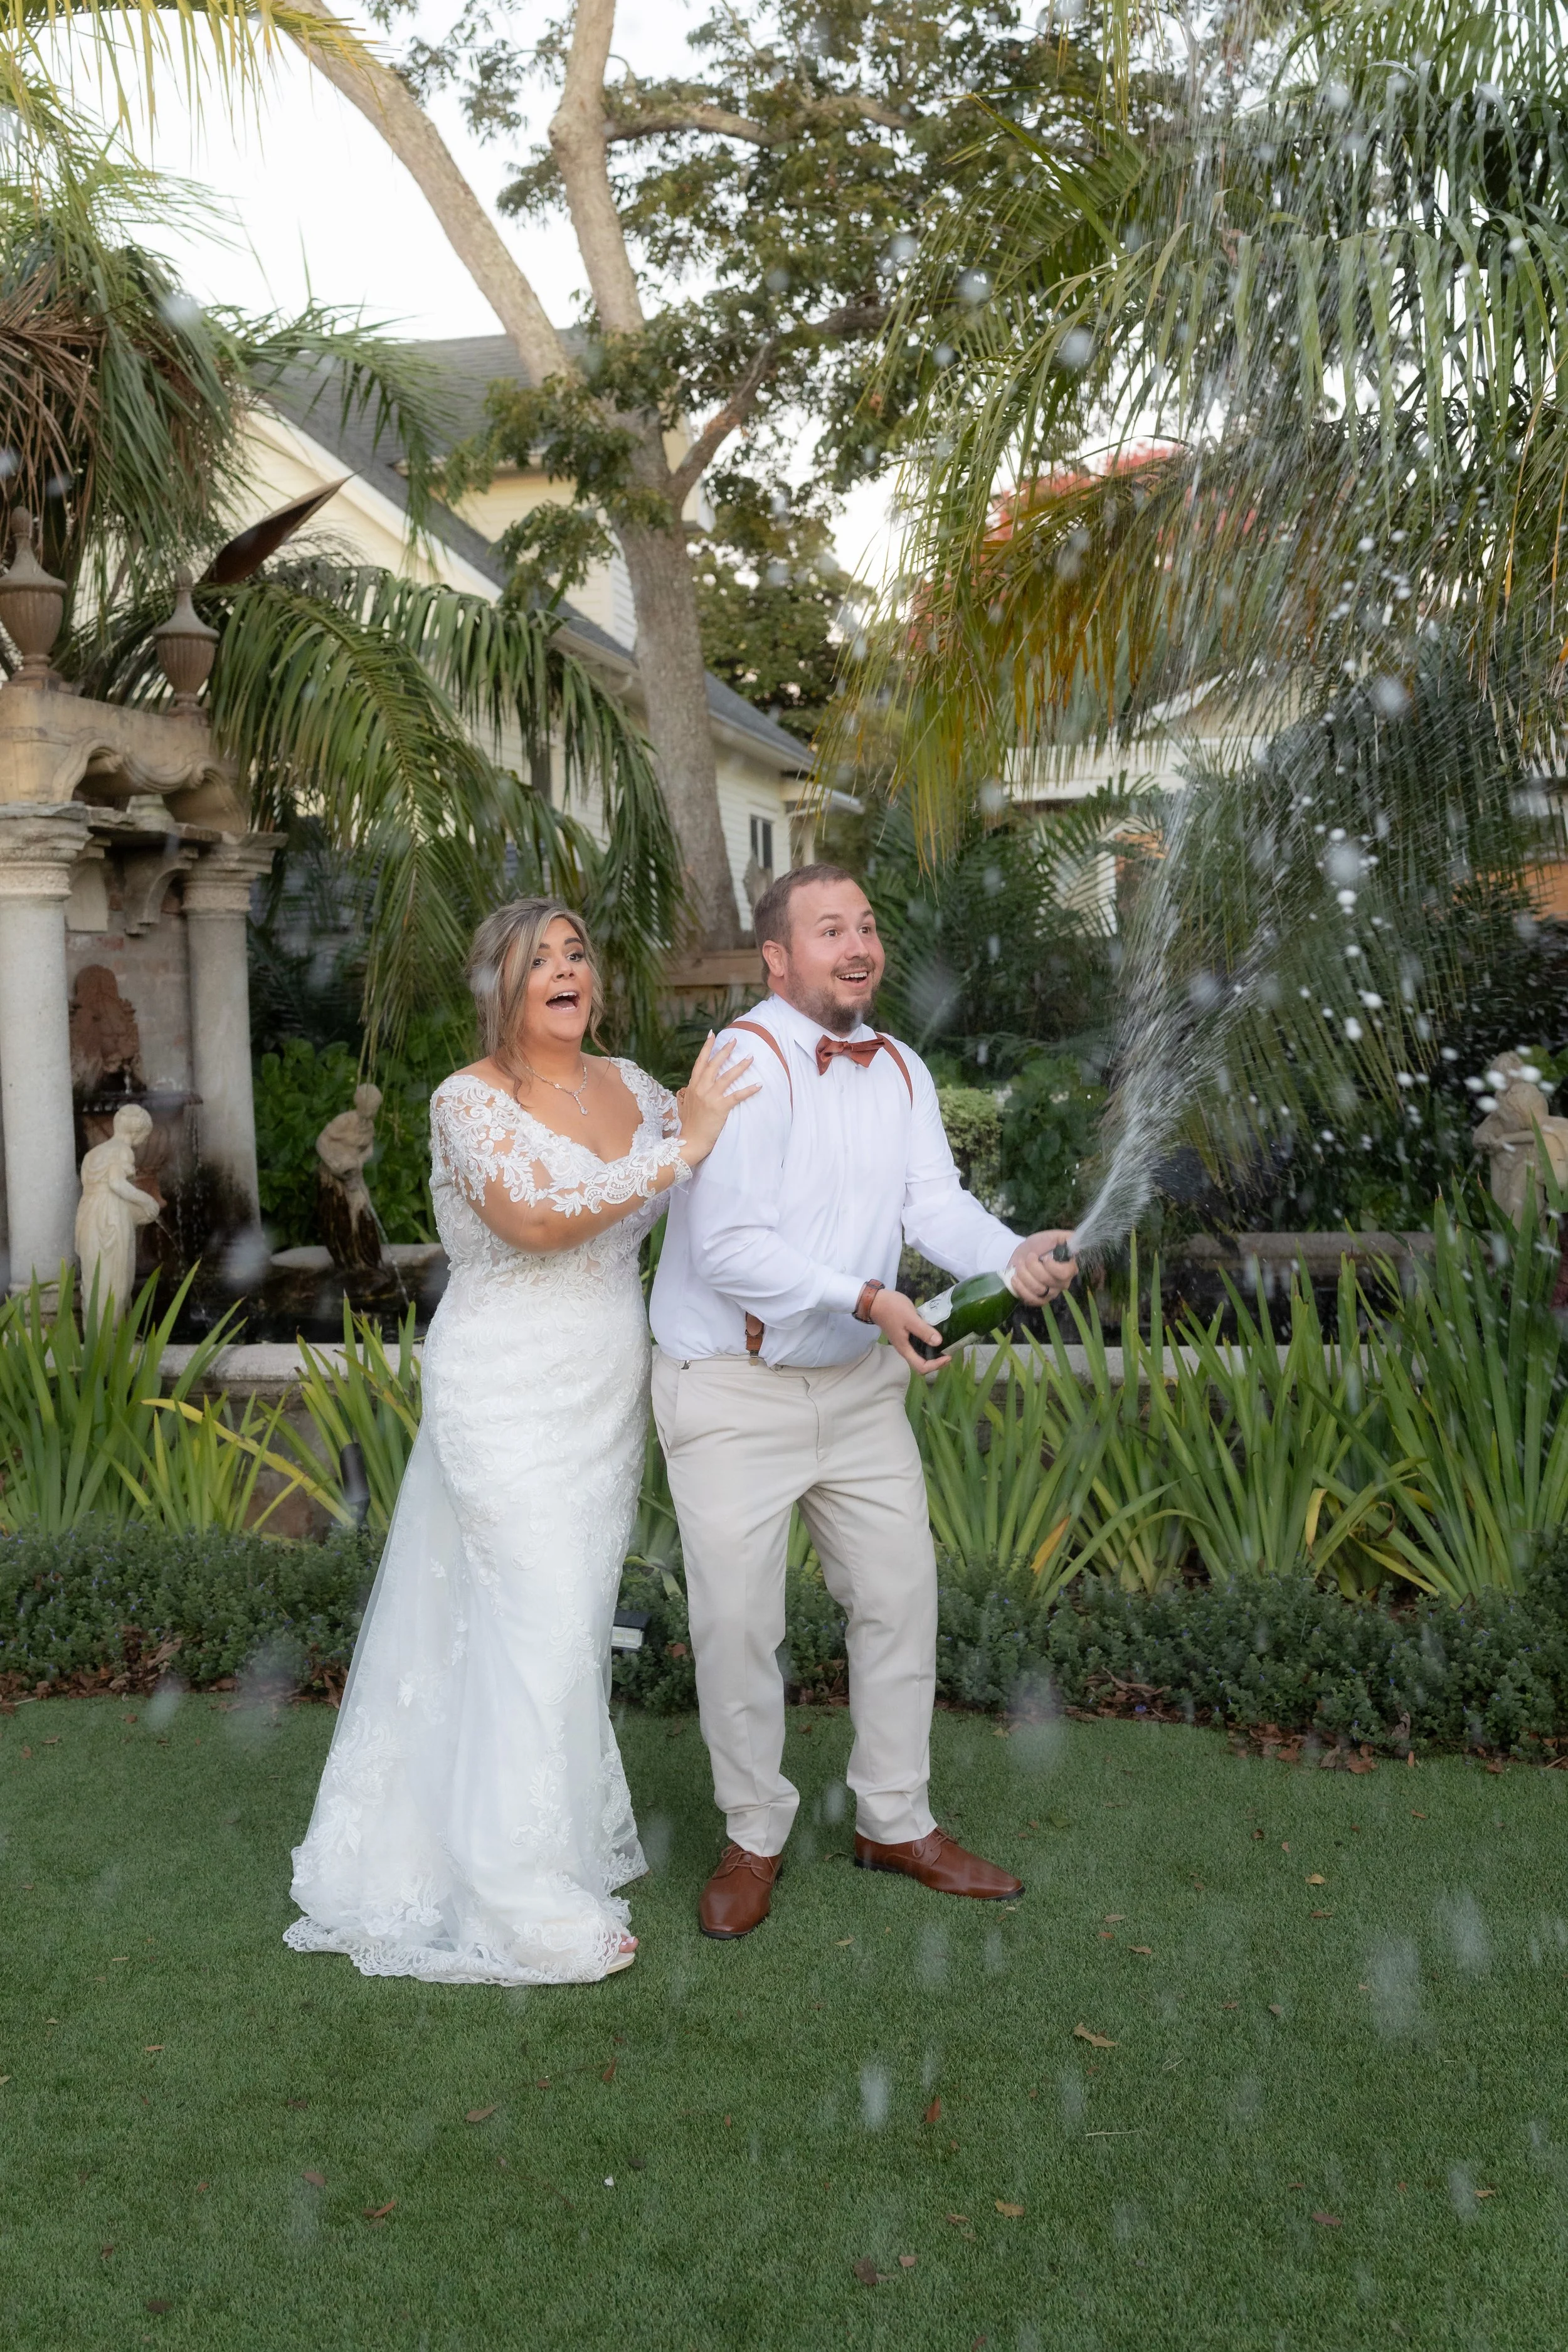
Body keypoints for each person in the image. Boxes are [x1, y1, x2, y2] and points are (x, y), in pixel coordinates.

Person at [284, 899, 755, 1985]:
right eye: (536, 956)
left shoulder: (637, 1089)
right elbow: (536, 1220)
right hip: (499, 1387)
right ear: (496, 983)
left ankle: (532, 1837)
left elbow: (704, 1189)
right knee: (540, 1614)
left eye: (577, 952)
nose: (563, 969)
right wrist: (678, 1148)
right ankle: (521, 1895)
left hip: (604, 1391)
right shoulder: (467, 1101)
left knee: (563, 1622)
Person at [649, 864, 1079, 1939]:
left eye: (868, 925)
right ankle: (753, 1833)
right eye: (830, 928)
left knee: (897, 1595)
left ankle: (894, 1817)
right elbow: (732, 1248)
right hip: (731, 1393)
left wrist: (1012, 1251)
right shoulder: (742, 1065)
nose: (859, 944)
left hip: (855, 1387)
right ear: (778, 958)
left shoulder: (900, 1069)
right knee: (739, 1623)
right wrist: (875, 1297)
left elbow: (933, 1202)